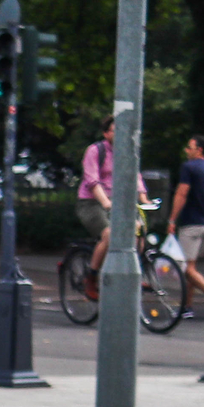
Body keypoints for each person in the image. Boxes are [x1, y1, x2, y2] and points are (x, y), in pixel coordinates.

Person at [165, 134, 204, 316]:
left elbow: (182, 194)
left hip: (191, 224)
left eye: (189, 147)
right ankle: (187, 308)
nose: (186, 150)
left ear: (199, 150)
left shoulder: (188, 168)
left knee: (184, 267)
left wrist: (172, 219)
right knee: (191, 267)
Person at [76, 115, 115, 283]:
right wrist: (106, 202)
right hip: (92, 203)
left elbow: (135, 177)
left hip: (116, 202)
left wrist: (144, 198)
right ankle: (91, 276)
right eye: (116, 130)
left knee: (138, 232)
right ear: (106, 134)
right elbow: (92, 181)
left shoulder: (127, 153)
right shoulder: (95, 151)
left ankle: (133, 272)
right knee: (109, 234)